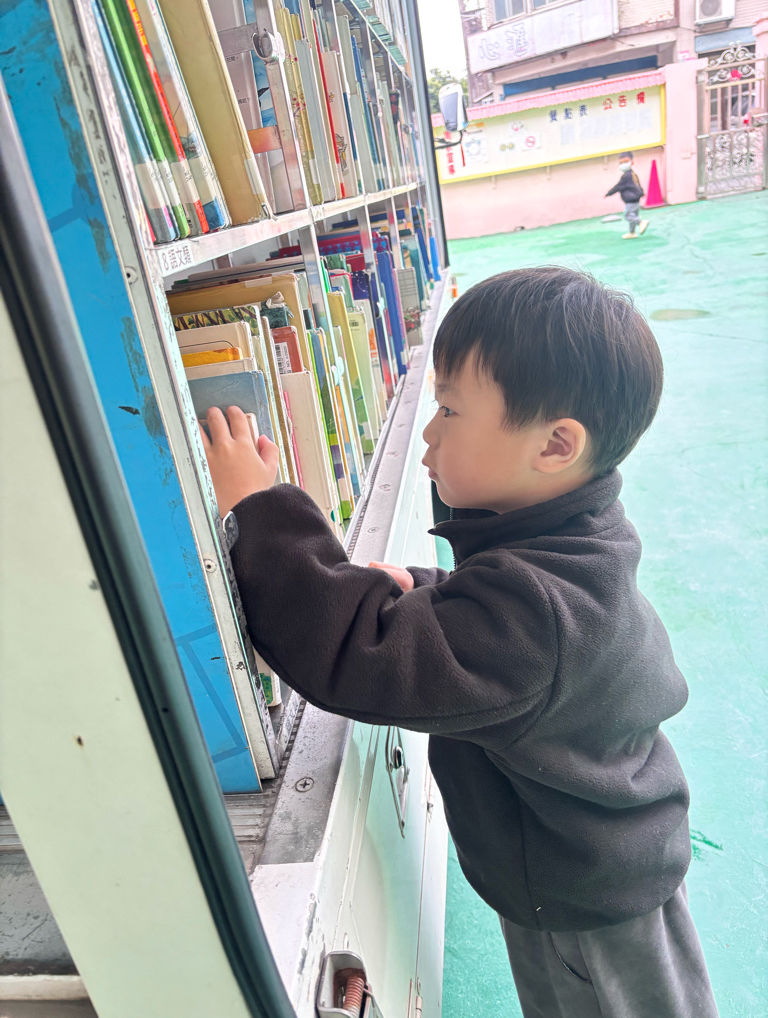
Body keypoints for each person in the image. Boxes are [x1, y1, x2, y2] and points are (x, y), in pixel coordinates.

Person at [200, 267, 719, 1018]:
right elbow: (494, 610)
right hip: (578, 862)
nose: (429, 433)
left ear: (555, 445)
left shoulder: (536, 616)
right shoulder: (571, 537)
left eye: (448, 409)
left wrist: (259, 506)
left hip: (598, 899)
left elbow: (360, 654)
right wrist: (423, 585)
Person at [606, 151, 648, 239]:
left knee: (628, 215)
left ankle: (641, 222)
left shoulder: (626, 176)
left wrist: (609, 193)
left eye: (625, 162)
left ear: (631, 163)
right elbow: (637, 184)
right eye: (621, 163)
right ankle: (632, 232)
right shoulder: (632, 174)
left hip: (631, 200)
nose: (623, 165)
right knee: (633, 216)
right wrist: (641, 192)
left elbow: (619, 186)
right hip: (636, 199)